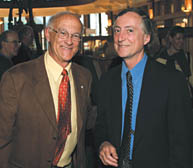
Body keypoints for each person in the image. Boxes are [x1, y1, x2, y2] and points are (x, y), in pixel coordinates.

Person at [94, 7, 192, 168]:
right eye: (117, 30)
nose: (120, 37)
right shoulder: (107, 80)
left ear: (146, 38)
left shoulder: (172, 81)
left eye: (129, 30)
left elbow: (182, 144)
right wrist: (103, 143)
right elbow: (101, 125)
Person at [0, 11, 96, 168]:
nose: (69, 41)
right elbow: (2, 138)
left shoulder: (84, 76)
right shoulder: (16, 78)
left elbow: (87, 122)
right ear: (48, 34)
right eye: (63, 33)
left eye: (76, 35)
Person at [155, 26, 193, 105]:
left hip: (184, 99)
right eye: (178, 38)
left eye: (183, 38)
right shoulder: (160, 59)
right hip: (166, 101)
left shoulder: (187, 57)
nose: (181, 41)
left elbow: (191, 79)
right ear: (171, 39)